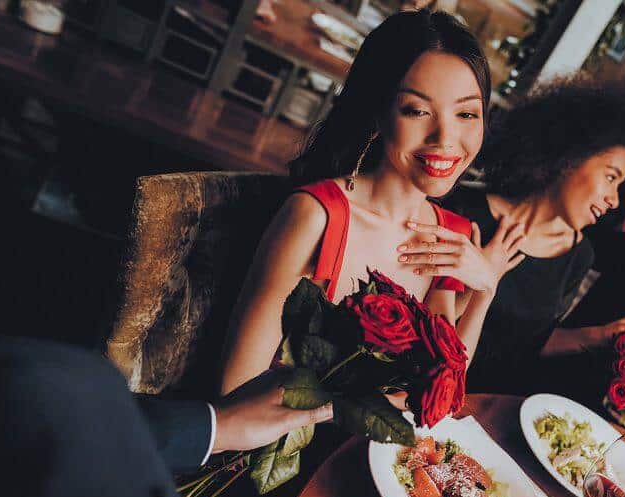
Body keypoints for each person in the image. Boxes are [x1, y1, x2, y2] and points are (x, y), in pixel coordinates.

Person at [220, 10, 523, 396]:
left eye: (466, 113)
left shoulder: (449, 238)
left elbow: (438, 392)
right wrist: (374, 411)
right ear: (378, 112)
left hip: (372, 452)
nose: (446, 137)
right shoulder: (317, 217)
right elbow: (235, 388)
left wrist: (484, 291)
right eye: (416, 110)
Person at [0, 335, 506, 497]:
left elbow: (445, 380)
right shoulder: (59, 390)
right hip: (257, 478)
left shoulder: (65, 388)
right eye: (416, 107)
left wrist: (217, 427)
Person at [420, 76, 625, 394]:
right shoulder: (460, 207)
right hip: (423, 391)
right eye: (611, 177)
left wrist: (600, 335)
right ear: (570, 158)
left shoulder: (579, 255)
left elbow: (528, 344)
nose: (614, 200)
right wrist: (480, 281)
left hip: (491, 411)